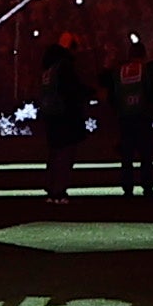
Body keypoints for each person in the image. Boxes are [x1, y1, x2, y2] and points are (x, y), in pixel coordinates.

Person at [35, 37, 95, 205]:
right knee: (65, 154)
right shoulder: (64, 67)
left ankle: (51, 187)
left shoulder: (48, 69)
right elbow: (72, 89)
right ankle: (59, 190)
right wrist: (90, 92)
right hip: (65, 116)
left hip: (51, 116)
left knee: (54, 154)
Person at [110, 49, 153, 201]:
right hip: (142, 116)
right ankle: (147, 187)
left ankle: (127, 188)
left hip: (125, 117)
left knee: (127, 156)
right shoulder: (145, 70)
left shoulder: (119, 71)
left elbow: (113, 94)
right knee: (145, 155)